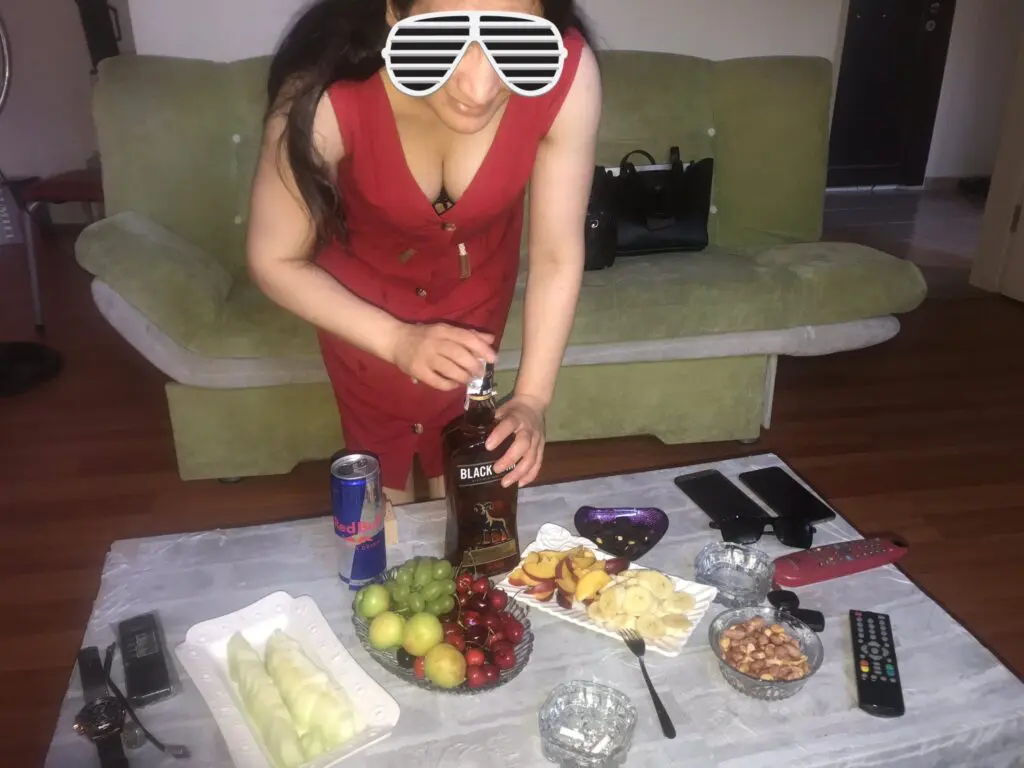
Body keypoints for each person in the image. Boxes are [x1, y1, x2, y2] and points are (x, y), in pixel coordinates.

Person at [246, 0, 602, 504]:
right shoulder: (323, 96)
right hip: (362, 315)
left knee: (465, 505)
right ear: (395, 12)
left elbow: (556, 255)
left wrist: (531, 400)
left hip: (478, 309)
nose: (479, 88)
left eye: (514, 41)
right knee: (381, 509)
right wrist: (395, 340)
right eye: (443, 38)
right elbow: (273, 259)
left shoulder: (566, 74)